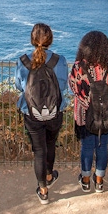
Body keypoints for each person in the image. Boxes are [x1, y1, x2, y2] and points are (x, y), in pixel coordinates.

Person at [15, 23, 70, 204]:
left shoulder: (22, 61)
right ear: (50, 39)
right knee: (51, 144)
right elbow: (62, 86)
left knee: (39, 151)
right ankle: (48, 175)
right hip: (55, 112)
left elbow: (18, 86)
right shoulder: (59, 60)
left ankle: (43, 191)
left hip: (31, 113)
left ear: (32, 39)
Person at [69, 30, 108, 193]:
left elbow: (74, 87)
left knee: (86, 147)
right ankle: (99, 181)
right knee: (103, 146)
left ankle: (85, 181)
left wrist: (87, 101)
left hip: (86, 114)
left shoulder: (79, 67)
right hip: (107, 113)